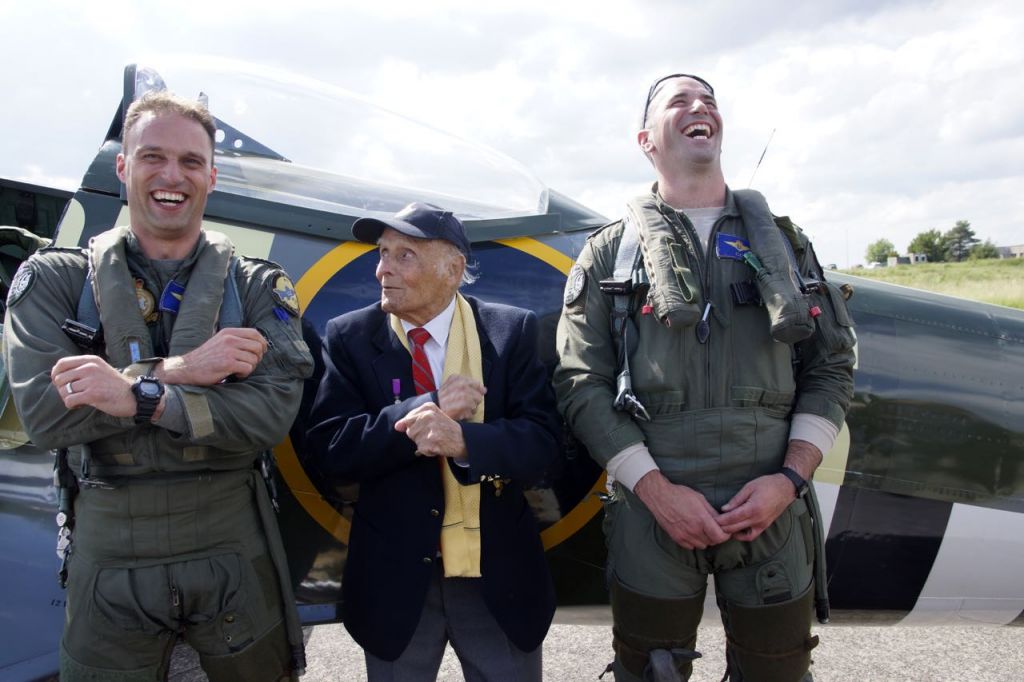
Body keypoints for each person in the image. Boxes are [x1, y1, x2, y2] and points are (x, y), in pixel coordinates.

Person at [554, 74, 856, 681]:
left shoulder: (787, 248)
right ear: (647, 139)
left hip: (771, 506)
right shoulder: (611, 254)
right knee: (650, 671)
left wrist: (790, 479)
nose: (701, 109)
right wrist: (656, 491)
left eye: (710, 102)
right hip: (654, 511)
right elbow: (581, 381)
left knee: (778, 670)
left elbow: (831, 365)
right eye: (681, 102)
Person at [3, 91, 313, 681]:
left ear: (212, 176)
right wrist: (174, 372)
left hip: (231, 552)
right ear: (122, 166)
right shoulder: (52, 281)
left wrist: (134, 396)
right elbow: (45, 415)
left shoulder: (254, 287)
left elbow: (270, 414)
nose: (173, 176)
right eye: (153, 157)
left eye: (191, 162)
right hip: (110, 556)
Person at [305, 202, 561, 681]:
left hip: (495, 576)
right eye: (382, 253)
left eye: (405, 255)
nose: (383, 269)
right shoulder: (351, 337)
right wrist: (423, 413)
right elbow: (332, 450)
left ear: (454, 269)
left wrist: (464, 441)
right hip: (396, 580)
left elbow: (544, 448)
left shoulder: (510, 332)